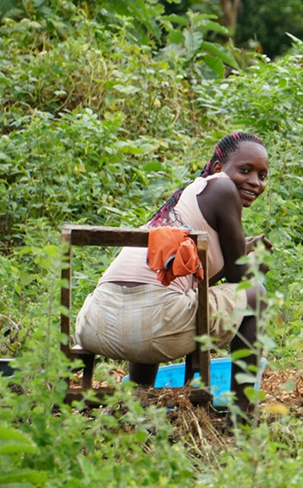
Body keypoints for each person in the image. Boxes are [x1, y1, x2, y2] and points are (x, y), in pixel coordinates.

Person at [75, 132, 270, 413]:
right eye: (245, 170)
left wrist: (241, 248)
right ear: (218, 170)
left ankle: (135, 405)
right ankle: (242, 416)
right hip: (152, 328)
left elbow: (193, 284)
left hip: (94, 324)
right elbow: (239, 281)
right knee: (256, 295)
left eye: (262, 175)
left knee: (159, 298)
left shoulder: (184, 202)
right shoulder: (224, 189)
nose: (255, 182)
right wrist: (253, 262)